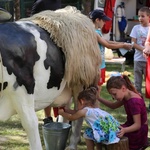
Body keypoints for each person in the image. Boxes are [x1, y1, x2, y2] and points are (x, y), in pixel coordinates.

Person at [31, 0, 62, 124]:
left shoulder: (58, 2)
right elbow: (32, 19)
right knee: (45, 83)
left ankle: (61, 115)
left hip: (56, 39)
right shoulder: (40, 2)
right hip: (42, 39)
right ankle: (48, 117)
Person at [98, 75, 148, 150]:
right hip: (130, 127)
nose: (114, 97)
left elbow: (137, 125)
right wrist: (98, 98)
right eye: (112, 95)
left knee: (109, 135)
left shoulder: (134, 102)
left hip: (138, 133)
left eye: (114, 94)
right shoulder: (126, 96)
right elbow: (113, 106)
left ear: (123, 88)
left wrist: (124, 130)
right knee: (104, 131)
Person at [89, 9, 132, 89]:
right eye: (103, 20)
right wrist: (122, 46)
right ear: (97, 20)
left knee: (98, 88)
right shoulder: (94, 33)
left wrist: (123, 44)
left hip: (100, 65)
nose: (105, 22)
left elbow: (108, 41)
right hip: (96, 67)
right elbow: (108, 45)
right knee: (96, 90)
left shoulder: (97, 32)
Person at [130, 7, 150, 95]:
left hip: (148, 61)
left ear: (149, 17)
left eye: (143, 16)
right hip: (138, 59)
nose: (140, 18)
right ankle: (138, 103)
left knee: (148, 84)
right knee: (137, 84)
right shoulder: (136, 28)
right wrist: (144, 49)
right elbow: (133, 43)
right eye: (139, 16)